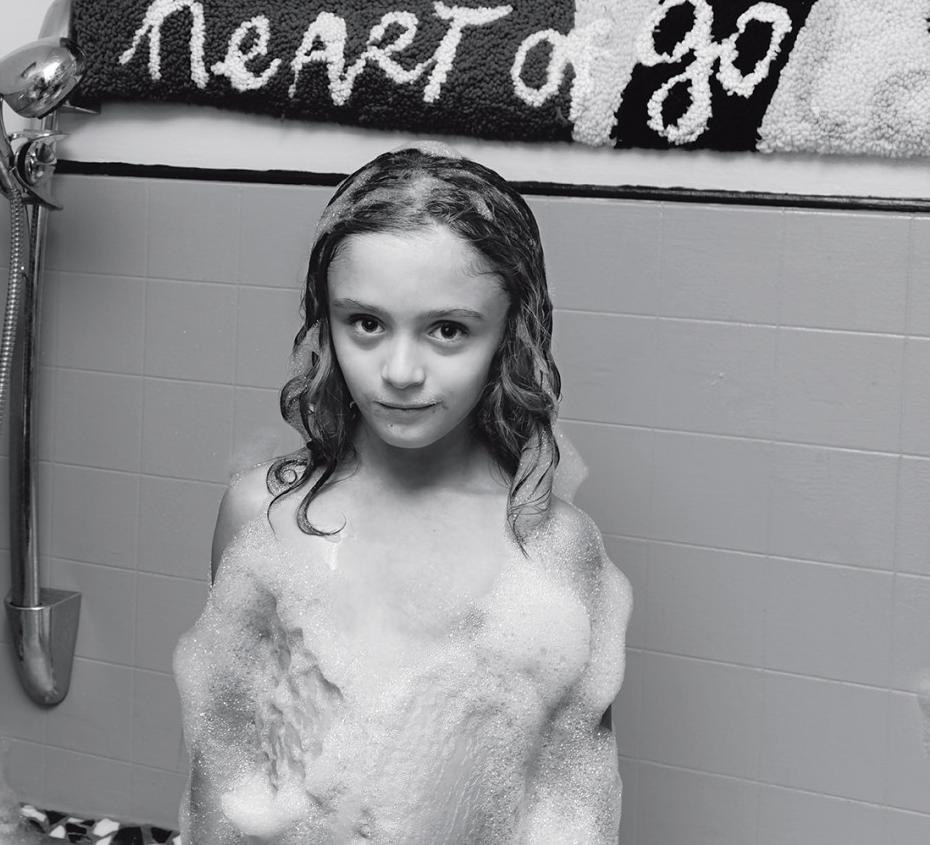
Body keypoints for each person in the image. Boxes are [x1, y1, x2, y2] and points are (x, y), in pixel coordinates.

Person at [175, 146, 629, 844]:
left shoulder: (554, 552)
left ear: (510, 335)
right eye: (367, 323)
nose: (400, 371)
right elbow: (225, 768)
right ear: (326, 320)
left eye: (447, 330)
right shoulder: (263, 518)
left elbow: (572, 805)